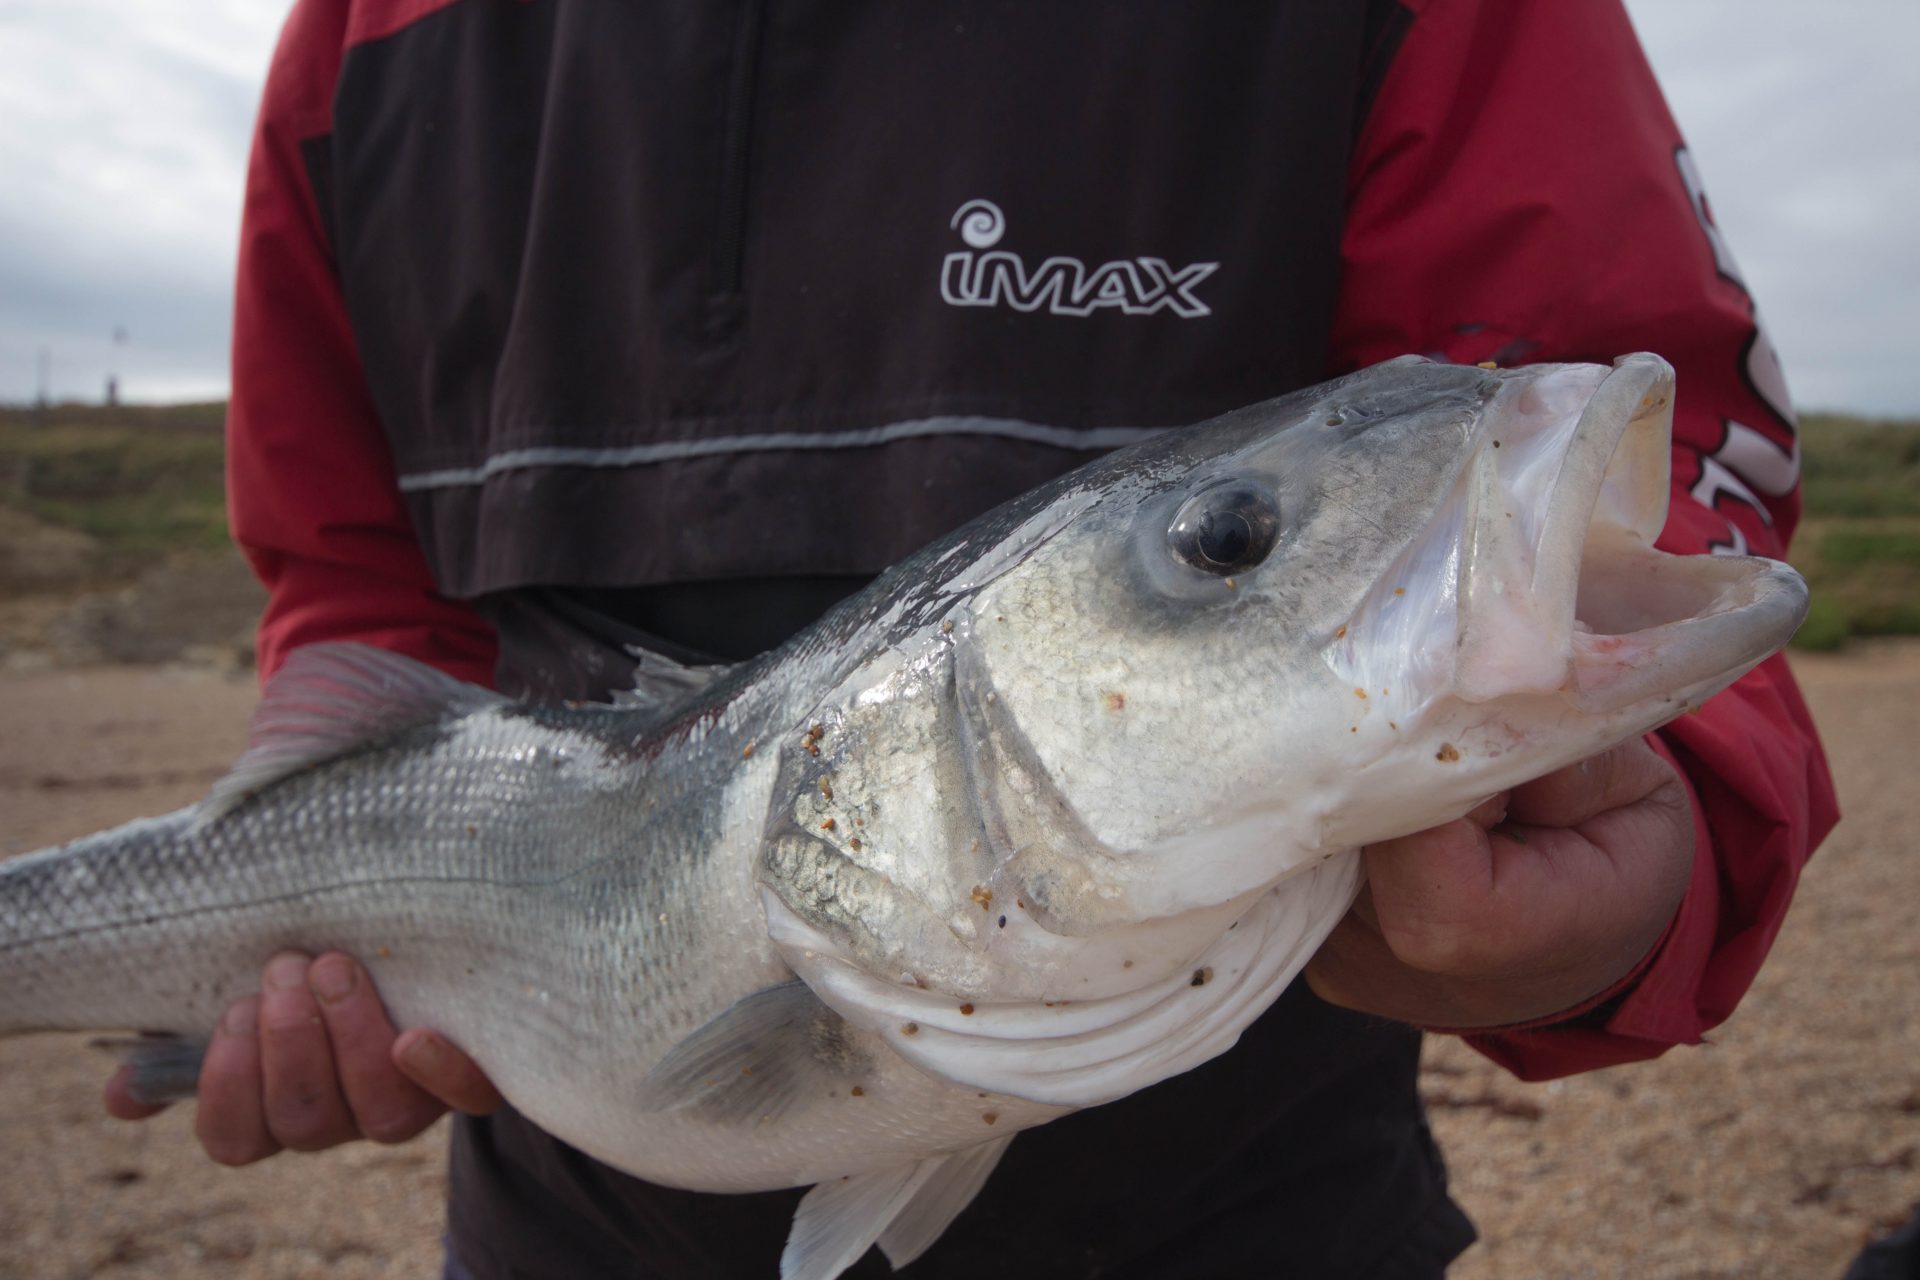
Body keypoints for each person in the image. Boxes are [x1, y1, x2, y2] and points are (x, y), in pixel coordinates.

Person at [106, 1, 1837, 1275]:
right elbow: (354, 589)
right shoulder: (370, 38)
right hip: (555, 1218)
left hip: (1252, 1218)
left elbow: (1632, 430)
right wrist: (318, 941)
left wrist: (1660, 819)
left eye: (1219, 542)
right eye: (1223, 542)